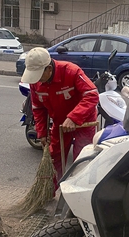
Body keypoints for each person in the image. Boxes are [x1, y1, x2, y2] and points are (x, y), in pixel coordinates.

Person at [21, 47, 99, 188]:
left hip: (84, 122)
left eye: (39, 75)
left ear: (49, 69)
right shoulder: (36, 83)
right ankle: (49, 191)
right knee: (54, 156)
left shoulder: (71, 71)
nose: (37, 80)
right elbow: (38, 109)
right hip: (60, 123)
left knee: (82, 159)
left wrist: (74, 117)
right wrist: (42, 133)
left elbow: (92, 94)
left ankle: (79, 191)